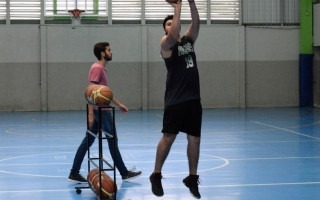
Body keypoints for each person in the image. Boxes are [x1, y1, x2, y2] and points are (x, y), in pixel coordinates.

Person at [149, 0, 202, 199]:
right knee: (169, 137)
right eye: (168, 24)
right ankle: (156, 174)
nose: (172, 26)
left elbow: (196, 24)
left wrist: (190, 2)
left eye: (174, 22)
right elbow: (173, 34)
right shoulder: (166, 44)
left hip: (193, 98)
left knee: (194, 138)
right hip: (175, 100)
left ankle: (192, 177)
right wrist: (177, 8)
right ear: (165, 29)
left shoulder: (188, 41)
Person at [68, 42, 141, 183]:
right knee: (112, 142)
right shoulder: (97, 68)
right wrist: (90, 114)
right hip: (102, 113)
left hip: (101, 111)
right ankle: (124, 173)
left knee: (88, 142)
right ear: (102, 53)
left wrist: (119, 104)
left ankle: (74, 172)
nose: (111, 52)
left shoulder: (100, 68)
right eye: (109, 50)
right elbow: (91, 91)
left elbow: (104, 93)